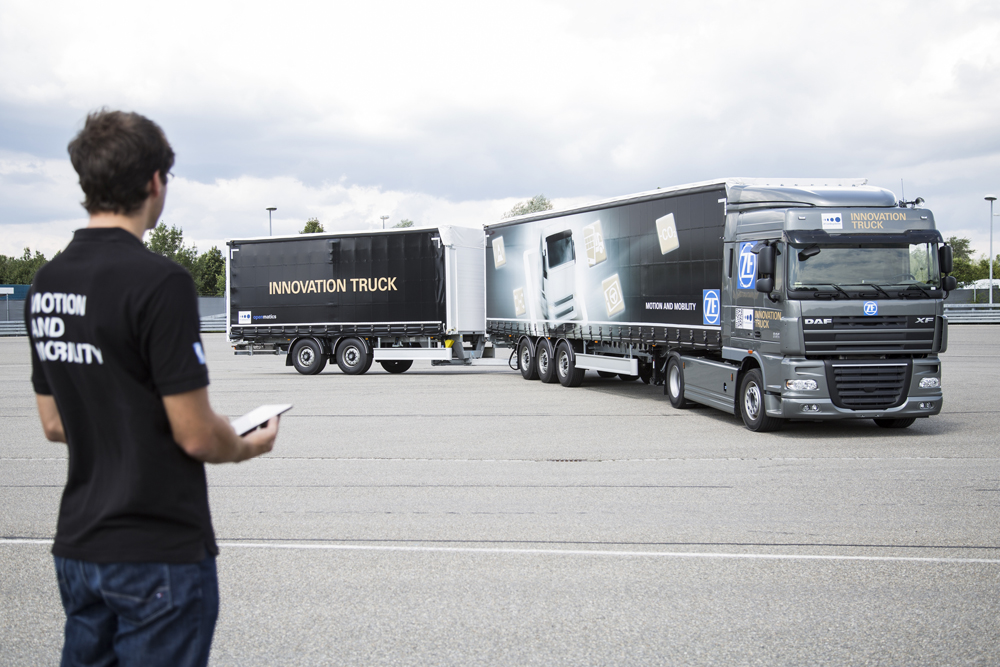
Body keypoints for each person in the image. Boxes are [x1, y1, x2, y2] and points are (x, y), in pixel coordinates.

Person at [27, 109, 279, 667]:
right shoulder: (160, 281)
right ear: (154, 183)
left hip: (80, 548)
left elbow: (53, 423)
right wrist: (244, 444)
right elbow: (194, 435)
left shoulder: (47, 283)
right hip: (156, 551)